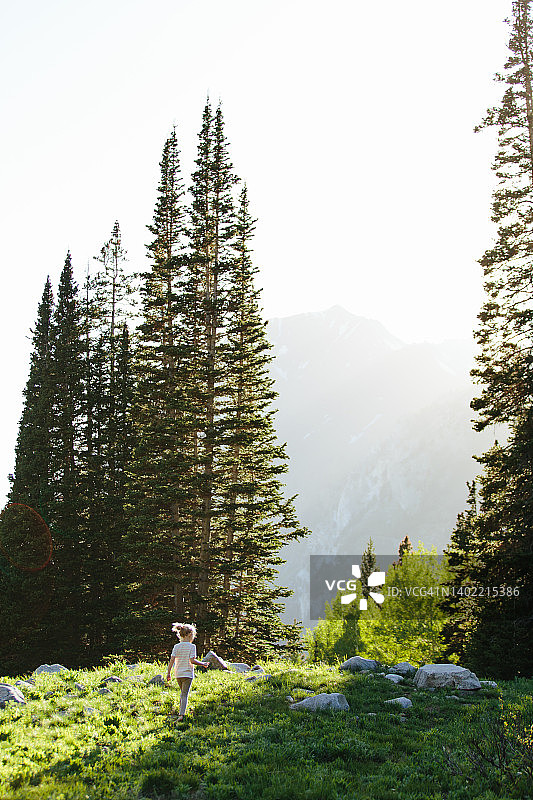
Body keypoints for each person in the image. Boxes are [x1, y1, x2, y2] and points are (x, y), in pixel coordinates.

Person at [166, 622, 208, 722]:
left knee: (182, 693)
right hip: (187, 674)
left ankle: (182, 709)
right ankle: (181, 715)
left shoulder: (176, 646)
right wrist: (203, 664)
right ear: (189, 635)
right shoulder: (191, 647)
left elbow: (172, 660)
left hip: (178, 674)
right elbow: (192, 660)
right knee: (184, 694)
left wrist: (168, 673)